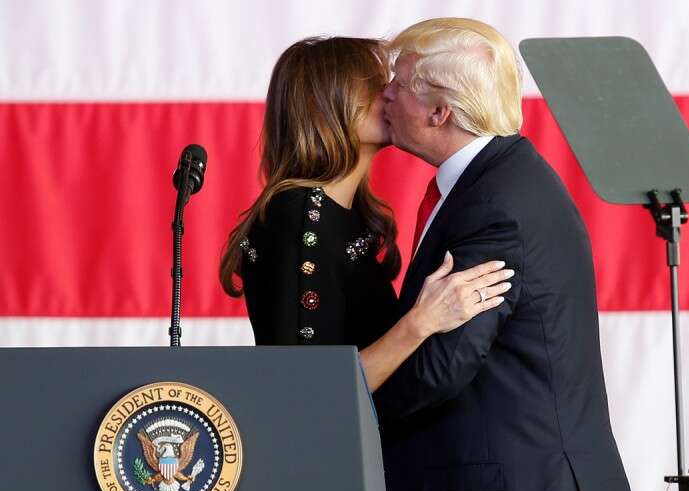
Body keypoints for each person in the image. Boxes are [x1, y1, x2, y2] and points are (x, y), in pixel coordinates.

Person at [373, 18, 641, 491]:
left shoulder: (493, 205)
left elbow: (443, 365)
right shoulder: (506, 178)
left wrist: (349, 403)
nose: (384, 94)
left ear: (438, 112)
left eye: (398, 84)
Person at [219, 36, 514, 391]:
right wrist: (422, 321)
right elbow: (311, 392)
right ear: (325, 105)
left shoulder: (345, 213)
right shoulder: (296, 218)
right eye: (377, 86)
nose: (391, 95)